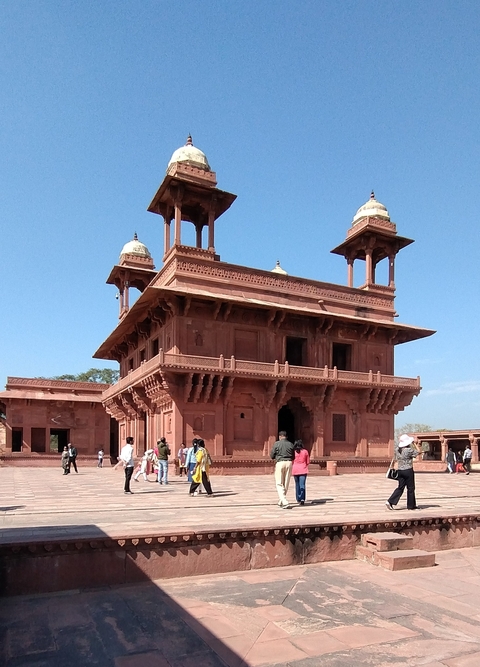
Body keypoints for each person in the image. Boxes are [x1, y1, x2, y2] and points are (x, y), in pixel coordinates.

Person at [386, 434, 421, 511]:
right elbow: (419, 452)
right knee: (410, 488)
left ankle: (390, 501)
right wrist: (414, 443)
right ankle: (411, 506)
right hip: (408, 470)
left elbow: (394, 459)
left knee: (400, 487)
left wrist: (392, 467)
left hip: (400, 471)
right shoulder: (409, 450)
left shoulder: (397, 450)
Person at [270, 431, 294, 509]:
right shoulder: (290, 444)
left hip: (280, 462)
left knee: (279, 483)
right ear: (286, 436)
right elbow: (293, 456)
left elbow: (272, 455)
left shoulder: (277, 444)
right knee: (286, 482)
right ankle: (281, 501)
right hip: (289, 462)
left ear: (280, 436)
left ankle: (284, 501)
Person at [292, 440, 310, 505]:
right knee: (302, 485)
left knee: (297, 485)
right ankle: (302, 499)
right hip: (303, 469)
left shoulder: (293, 452)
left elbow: (292, 461)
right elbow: (308, 461)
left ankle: (298, 498)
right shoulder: (305, 451)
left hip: (295, 469)